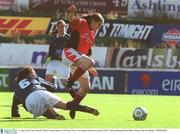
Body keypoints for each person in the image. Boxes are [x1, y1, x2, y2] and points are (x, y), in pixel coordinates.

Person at [62, 4, 104, 119]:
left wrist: (90, 68)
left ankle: (73, 105)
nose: (99, 27)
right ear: (93, 21)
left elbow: (83, 55)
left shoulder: (92, 35)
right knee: (90, 61)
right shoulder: (83, 22)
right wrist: (71, 12)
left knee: (85, 88)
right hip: (68, 52)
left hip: (77, 60)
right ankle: (69, 83)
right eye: (98, 24)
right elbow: (71, 20)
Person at [11, 66, 99, 120]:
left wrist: (16, 116)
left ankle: (54, 116)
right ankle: (84, 108)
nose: (35, 74)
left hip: (29, 101)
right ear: (29, 74)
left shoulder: (17, 89)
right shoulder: (35, 78)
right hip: (40, 92)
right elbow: (53, 87)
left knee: (45, 111)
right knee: (65, 105)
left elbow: (14, 108)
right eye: (33, 73)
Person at [45, 20, 70, 86]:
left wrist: (64, 56)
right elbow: (50, 52)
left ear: (65, 27)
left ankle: (74, 95)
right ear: (57, 28)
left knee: (65, 84)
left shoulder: (69, 38)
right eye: (59, 27)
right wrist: (47, 62)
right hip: (53, 62)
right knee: (47, 82)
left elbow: (72, 51)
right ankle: (46, 96)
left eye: (63, 26)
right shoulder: (53, 38)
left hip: (63, 63)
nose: (61, 28)